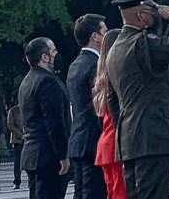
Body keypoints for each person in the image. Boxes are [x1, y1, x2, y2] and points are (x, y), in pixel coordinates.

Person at [105, 0, 169, 199]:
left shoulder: (114, 49)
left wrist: (125, 130)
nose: (156, 16)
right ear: (141, 15)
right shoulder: (141, 43)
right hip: (154, 138)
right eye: (152, 11)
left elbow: (112, 99)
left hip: (130, 140)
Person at [19, 37, 72, 199]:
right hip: (49, 157)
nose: (57, 55)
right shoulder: (48, 82)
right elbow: (55, 123)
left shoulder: (27, 81)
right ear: (45, 57)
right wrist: (63, 155)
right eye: (53, 51)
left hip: (33, 154)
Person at [67, 14, 108, 199]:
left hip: (79, 140)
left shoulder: (75, 64)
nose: (107, 35)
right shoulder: (95, 65)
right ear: (95, 36)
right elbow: (101, 105)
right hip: (94, 141)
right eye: (104, 31)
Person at [92, 30, 125, 199]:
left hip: (106, 143)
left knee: (112, 193)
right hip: (118, 142)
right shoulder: (116, 78)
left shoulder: (101, 81)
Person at [7, 102, 25, 189]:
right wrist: (20, 135)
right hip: (18, 140)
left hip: (30, 138)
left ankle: (31, 180)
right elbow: (10, 125)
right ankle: (17, 181)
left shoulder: (31, 107)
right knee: (17, 163)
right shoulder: (13, 110)